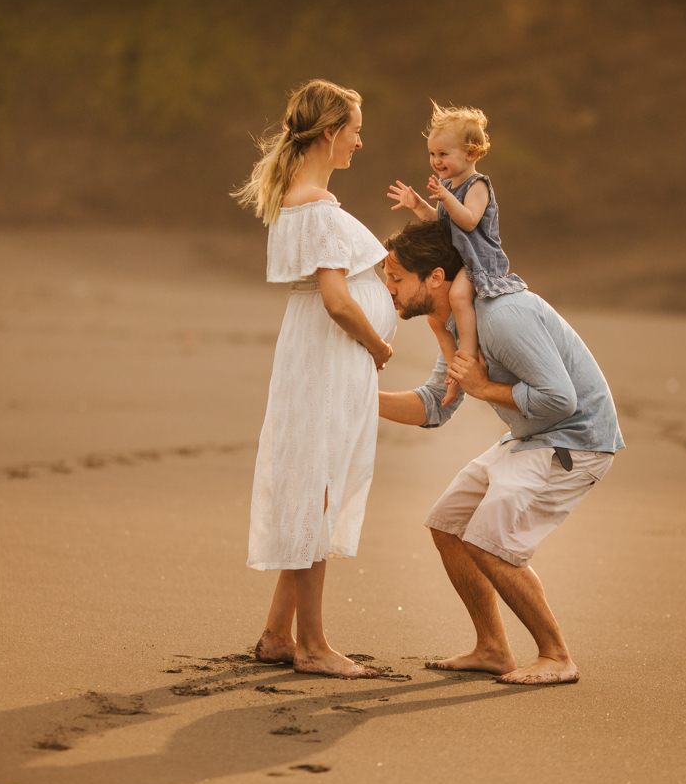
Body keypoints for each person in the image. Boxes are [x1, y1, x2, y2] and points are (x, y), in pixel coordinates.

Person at [377, 219, 624, 685]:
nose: (388, 289)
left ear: (434, 276)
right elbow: (435, 405)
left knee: (489, 540)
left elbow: (561, 399)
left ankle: (556, 656)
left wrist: (485, 387)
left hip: (575, 439)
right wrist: (362, 399)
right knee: (449, 524)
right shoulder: (458, 322)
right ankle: (492, 648)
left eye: (395, 278)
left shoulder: (501, 316)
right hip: (532, 437)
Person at [232, 80, 396, 679]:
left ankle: (278, 634)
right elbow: (336, 300)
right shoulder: (319, 210)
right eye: (354, 128)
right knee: (318, 490)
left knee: (311, 487)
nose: (359, 139)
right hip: (329, 357)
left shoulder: (297, 199)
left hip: (314, 357)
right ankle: (314, 645)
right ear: (330, 133)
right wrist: (377, 343)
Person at [387, 102, 526, 407]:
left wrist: (446, 197)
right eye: (432, 154)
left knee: (459, 297)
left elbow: (468, 220)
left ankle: (469, 354)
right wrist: (417, 203)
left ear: (471, 154)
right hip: (460, 259)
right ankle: (456, 370)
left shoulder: (477, 185)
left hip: (480, 261)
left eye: (443, 154)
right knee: (436, 321)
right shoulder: (448, 186)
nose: (436, 160)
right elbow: (440, 223)